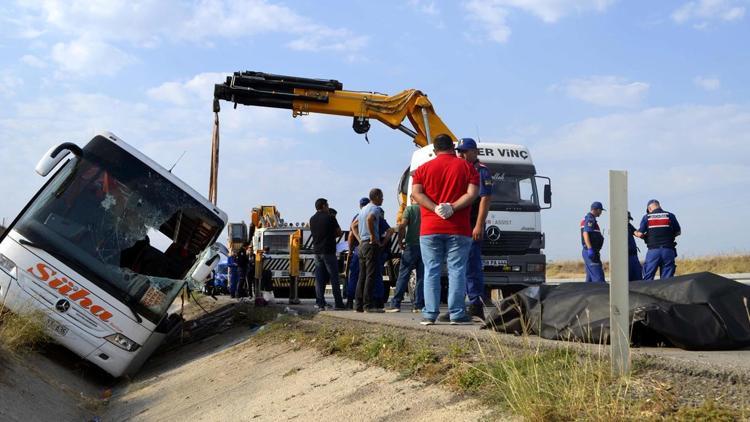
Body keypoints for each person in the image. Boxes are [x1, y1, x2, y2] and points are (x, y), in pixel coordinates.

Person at [411, 134, 479, 325]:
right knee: (457, 270)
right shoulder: (467, 167)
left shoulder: (422, 169)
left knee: (431, 270)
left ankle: (430, 314)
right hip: (458, 228)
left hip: (430, 228)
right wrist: (452, 207)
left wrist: (435, 208)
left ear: (434, 150)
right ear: (453, 147)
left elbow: (416, 193)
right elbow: (472, 194)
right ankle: (457, 314)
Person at [456, 138, 492, 321]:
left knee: (472, 265)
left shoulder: (481, 171)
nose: (461, 155)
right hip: (459, 223)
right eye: (459, 151)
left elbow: (485, 200)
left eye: (464, 151)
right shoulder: (459, 169)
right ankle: (458, 306)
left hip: (471, 224)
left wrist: (479, 225)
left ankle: (476, 304)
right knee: (458, 266)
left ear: (475, 152)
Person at [387, 197, 424, 313]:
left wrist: (399, 241)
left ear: (412, 198)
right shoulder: (426, 209)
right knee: (421, 277)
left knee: (403, 275)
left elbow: (402, 226)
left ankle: (396, 303)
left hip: (411, 246)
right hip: (425, 246)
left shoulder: (409, 209)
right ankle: (418, 305)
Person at [309, 198, 346, 310]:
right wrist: (331, 236)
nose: (328, 207)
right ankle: (339, 304)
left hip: (317, 252)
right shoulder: (330, 217)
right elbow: (339, 232)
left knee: (319, 279)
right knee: (334, 278)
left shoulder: (312, 219)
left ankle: (320, 303)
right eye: (327, 205)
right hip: (328, 252)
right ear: (324, 206)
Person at [355, 188, 387, 313]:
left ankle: (359, 305)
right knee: (370, 275)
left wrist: (360, 239)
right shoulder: (375, 209)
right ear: (377, 197)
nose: (383, 199)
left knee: (362, 275)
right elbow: (370, 219)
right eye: (382, 197)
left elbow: (353, 226)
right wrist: (373, 236)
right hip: (370, 244)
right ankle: (368, 305)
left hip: (362, 244)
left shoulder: (363, 209)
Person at [635, 199, 681, 280]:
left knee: (648, 278)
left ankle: (647, 292)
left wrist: (635, 232)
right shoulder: (670, 215)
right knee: (667, 280)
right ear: (659, 205)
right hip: (668, 250)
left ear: (649, 209)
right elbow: (678, 232)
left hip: (653, 251)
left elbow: (640, 234)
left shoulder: (647, 217)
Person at [345, 197, 370, 309]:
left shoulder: (358, 216)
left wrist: (350, 250)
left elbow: (351, 234)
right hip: (369, 247)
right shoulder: (372, 214)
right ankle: (366, 302)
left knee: (354, 276)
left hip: (357, 250)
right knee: (368, 275)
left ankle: (350, 301)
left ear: (360, 206)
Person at [581, 202, 606, 283]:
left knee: (590, 281)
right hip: (591, 252)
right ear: (597, 210)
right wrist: (590, 248)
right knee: (599, 279)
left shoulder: (591, 219)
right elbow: (585, 233)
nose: (601, 213)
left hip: (592, 252)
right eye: (600, 210)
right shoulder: (590, 219)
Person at [627, 212, 643, 281]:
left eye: (629, 219)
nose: (628, 220)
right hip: (625, 257)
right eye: (627, 219)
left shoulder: (629, 225)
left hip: (633, 256)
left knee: (637, 276)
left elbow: (637, 233)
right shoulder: (617, 227)